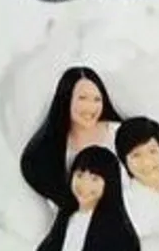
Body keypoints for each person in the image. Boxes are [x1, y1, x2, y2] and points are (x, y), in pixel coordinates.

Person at [35, 147, 140, 251]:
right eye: (79, 175)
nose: (84, 184)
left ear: (110, 183)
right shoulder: (66, 215)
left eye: (94, 179)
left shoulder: (115, 227)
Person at [20, 66, 122, 205]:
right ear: (66, 99)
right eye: (82, 98)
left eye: (97, 99)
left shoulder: (120, 133)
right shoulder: (53, 153)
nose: (90, 107)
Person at [115, 116, 159, 238]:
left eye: (153, 151)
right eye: (136, 155)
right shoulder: (123, 205)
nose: (147, 162)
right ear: (124, 161)